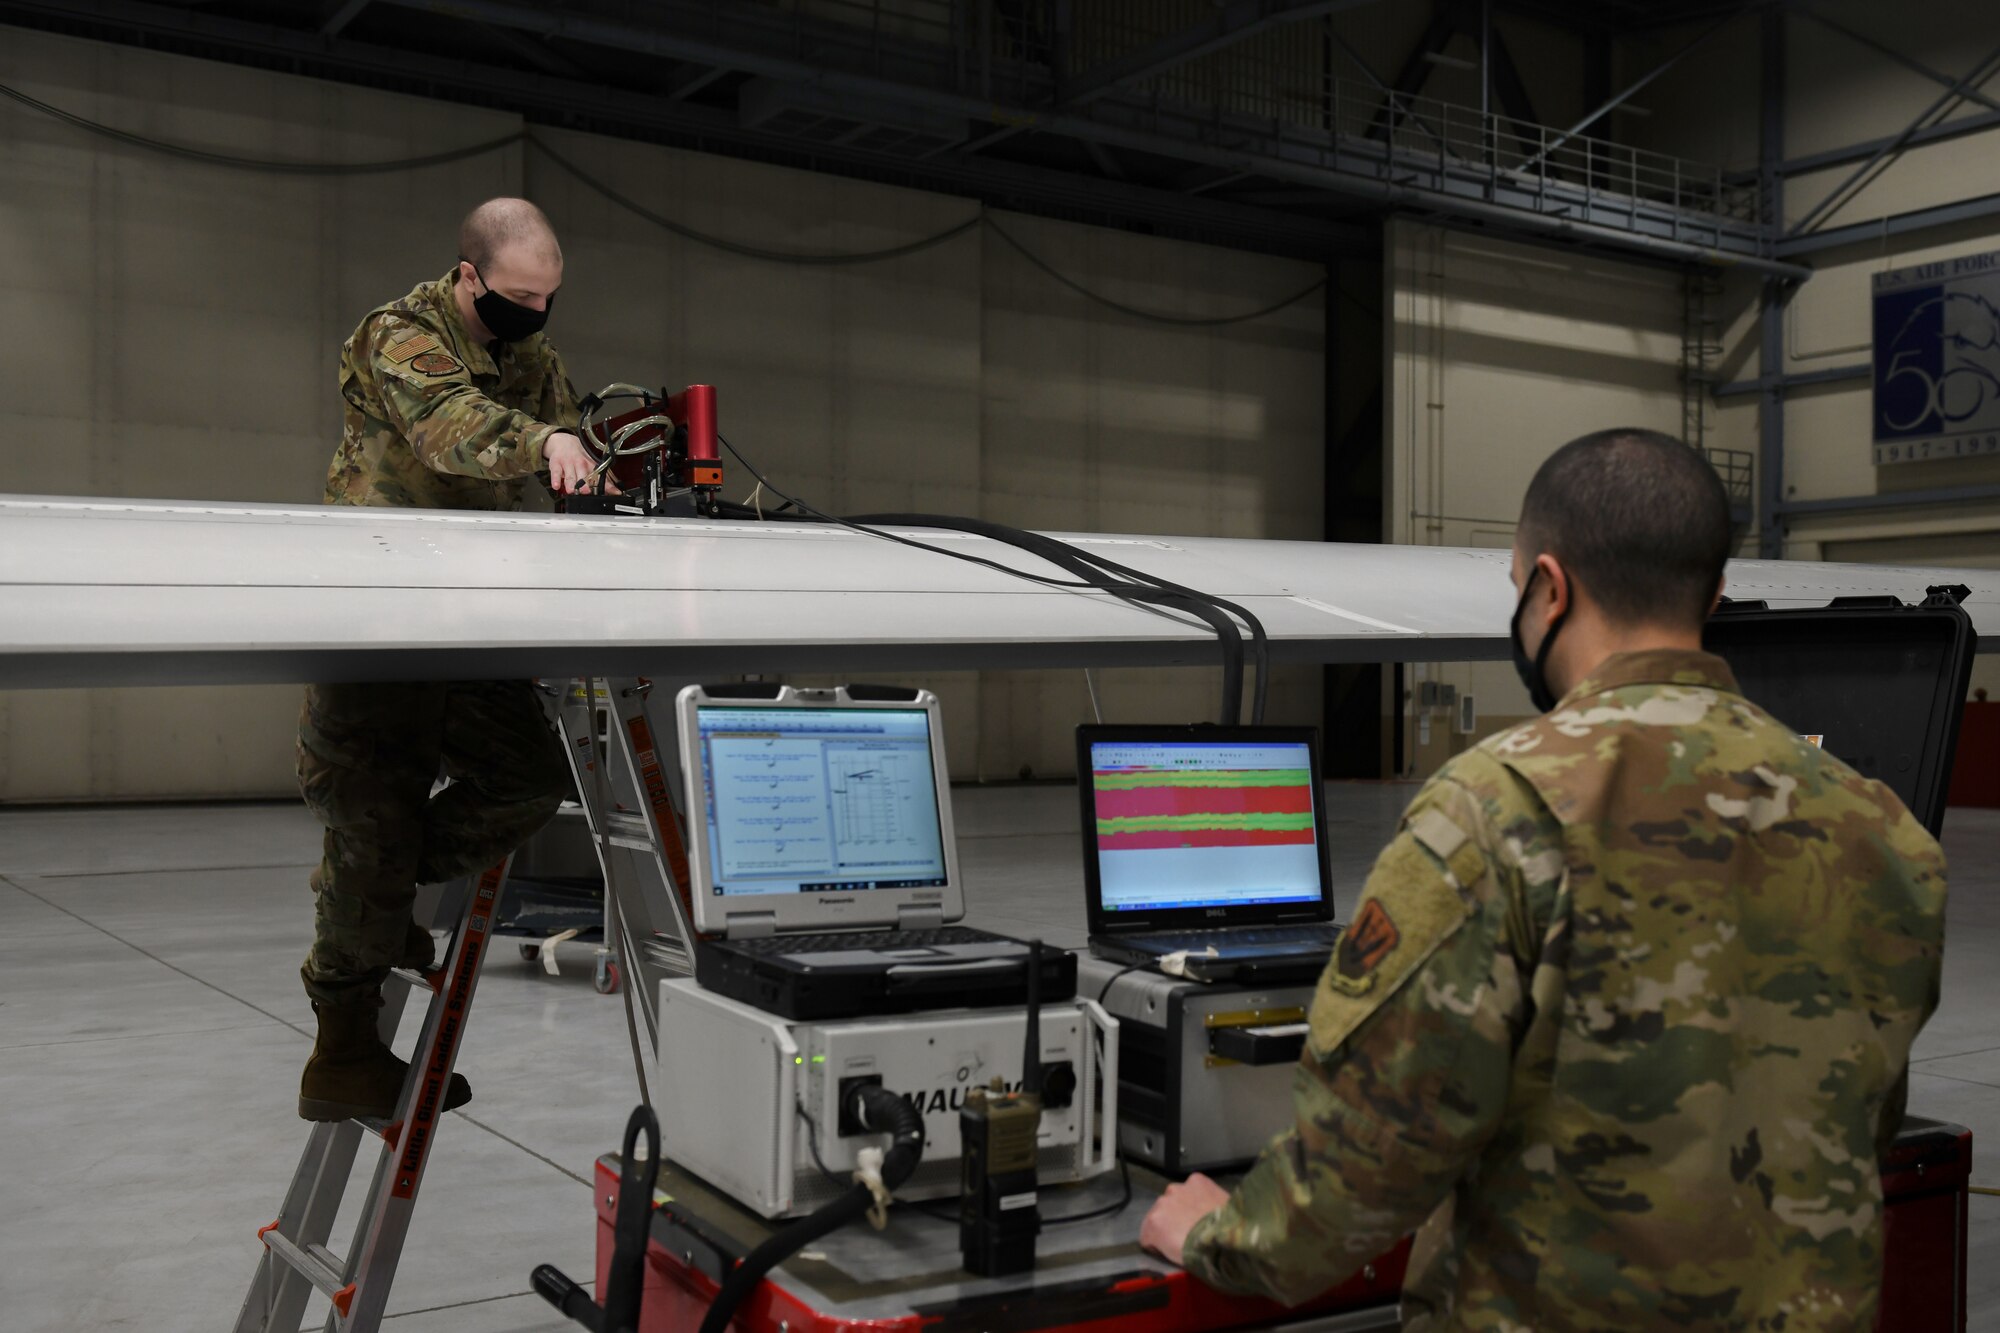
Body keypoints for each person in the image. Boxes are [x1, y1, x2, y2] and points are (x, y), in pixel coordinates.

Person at [1139, 428, 1947, 1331]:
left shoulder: (1496, 809)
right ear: (1713, 595)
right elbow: (1859, 1127)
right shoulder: (1882, 829)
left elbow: (1366, 1167)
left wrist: (1222, 1233)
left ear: (1549, 588)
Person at [296, 198, 611, 1122]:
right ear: (470, 276)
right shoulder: (398, 335)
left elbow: (561, 462)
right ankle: (343, 1052)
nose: (537, 316)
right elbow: (449, 424)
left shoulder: (534, 358)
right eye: (520, 297)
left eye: (550, 299)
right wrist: (547, 439)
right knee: (372, 810)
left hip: (469, 614)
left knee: (530, 776)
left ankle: (378, 895)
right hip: (376, 616)